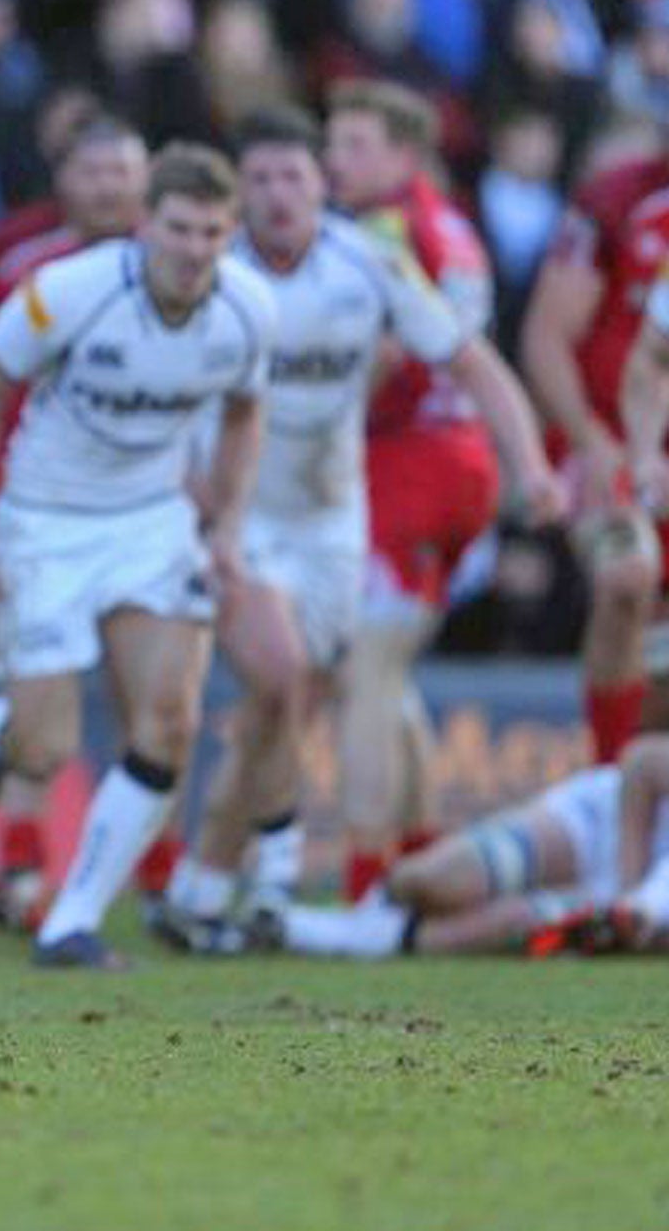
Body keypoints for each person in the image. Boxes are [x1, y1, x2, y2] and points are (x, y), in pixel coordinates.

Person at [154, 107, 562, 951]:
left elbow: (469, 358)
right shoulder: (210, 271)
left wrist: (530, 464)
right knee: (287, 683)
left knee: (302, 696)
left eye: (294, 176)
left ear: (320, 188)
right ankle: (326, 882)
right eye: (259, 179)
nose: (276, 195)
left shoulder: (370, 260)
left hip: (338, 518)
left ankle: (208, 885)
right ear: (239, 192)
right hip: (238, 517)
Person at [0, 143, 276, 968]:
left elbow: (244, 412)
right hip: (44, 523)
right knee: (45, 750)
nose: (195, 250)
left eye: (213, 234)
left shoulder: (250, 308)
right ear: (145, 224)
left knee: (170, 721)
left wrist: (225, 523)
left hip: (153, 523)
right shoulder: (72, 291)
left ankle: (70, 920)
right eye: (181, 229)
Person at [0, 110, 149, 932]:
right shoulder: (15, 254)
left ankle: (156, 882)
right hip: (29, 505)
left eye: (122, 170)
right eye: (93, 172)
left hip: (142, 508)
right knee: (53, 701)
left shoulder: (173, 259)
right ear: (64, 180)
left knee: (146, 698)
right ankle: (21, 870)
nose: (108, 187)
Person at [324, 79, 503, 900]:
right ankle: (424, 847)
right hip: (459, 462)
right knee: (387, 673)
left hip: (410, 463)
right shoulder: (453, 221)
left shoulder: (384, 229)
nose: (333, 160)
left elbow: (388, 359)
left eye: (354, 144)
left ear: (404, 153)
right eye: (333, 141)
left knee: (363, 671)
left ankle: (367, 883)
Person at [520, 147, 669, 768]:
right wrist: (595, 441)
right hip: (610, 440)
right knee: (627, 578)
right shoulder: (615, 199)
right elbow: (546, 335)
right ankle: (610, 781)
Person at [263, 735, 669, 959]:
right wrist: (624, 891)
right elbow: (642, 764)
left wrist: (633, 921)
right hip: (594, 827)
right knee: (437, 881)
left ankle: (294, 929)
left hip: (629, 910)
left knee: (503, 926)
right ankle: (374, 904)